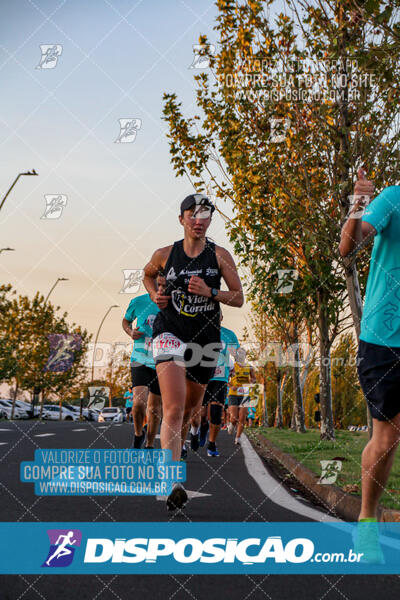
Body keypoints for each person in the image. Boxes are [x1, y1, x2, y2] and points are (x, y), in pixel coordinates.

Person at [143, 193, 243, 510]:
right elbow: (147, 274)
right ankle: (172, 480)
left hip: (206, 339)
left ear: (210, 219)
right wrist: (155, 294)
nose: (199, 219)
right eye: (193, 213)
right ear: (182, 218)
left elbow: (238, 297)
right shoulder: (165, 254)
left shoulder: (220, 256)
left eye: (205, 214)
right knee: (173, 406)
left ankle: (178, 448)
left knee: (189, 410)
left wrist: (210, 292)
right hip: (169, 331)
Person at [339, 168, 400, 563]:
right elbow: (348, 246)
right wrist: (358, 204)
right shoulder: (393, 197)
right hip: (384, 336)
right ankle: (366, 522)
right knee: (388, 436)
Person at [122, 277, 163, 449]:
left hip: (162, 361)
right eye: (156, 284)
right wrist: (130, 331)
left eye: (163, 285)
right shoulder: (138, 302)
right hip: (140, 359)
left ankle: (150, 445)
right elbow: (125, 321)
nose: (159, 288)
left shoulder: (173, 304)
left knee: (154, 409)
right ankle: (139, 434)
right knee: (138, 403)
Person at [197, 316, 240, 457]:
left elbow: (238, 354)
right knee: (201, 415)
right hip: (202, 377)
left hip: (220, 377)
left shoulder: (229, 335)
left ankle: (212, 444)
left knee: (216, 412)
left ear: (221, 317)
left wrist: (238, 356)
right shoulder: (200, 330)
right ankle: (202, 429)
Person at [227, 358, 256, 446]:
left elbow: (254, 379)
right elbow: (226, 379)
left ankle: (238, 437)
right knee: (234, 418)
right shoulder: (232, 367)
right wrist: (231, 386)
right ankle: (231, 424)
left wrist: (252, 382)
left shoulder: (249, 367)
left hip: (245, 394)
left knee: (242, 417)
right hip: (233, 394)